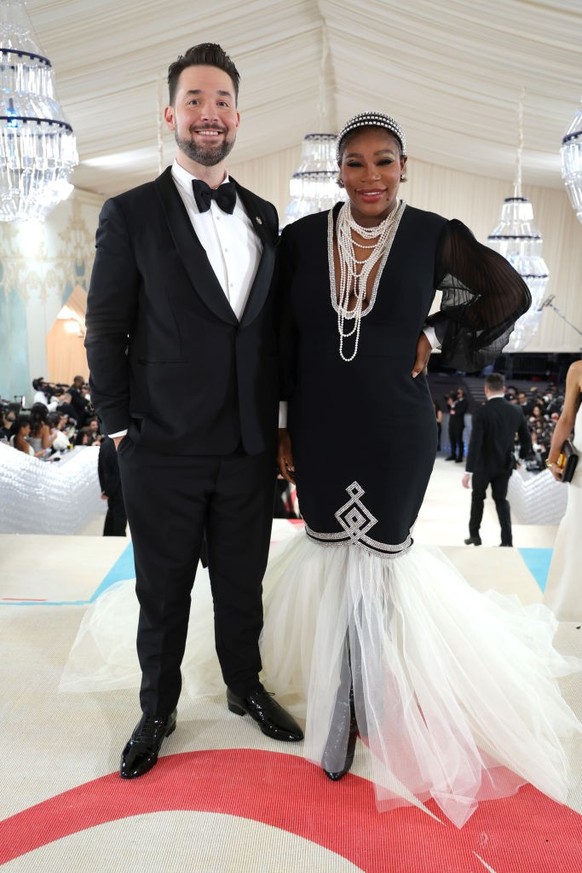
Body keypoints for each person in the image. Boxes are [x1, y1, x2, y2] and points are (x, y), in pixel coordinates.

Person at [259, 111, 581, 828]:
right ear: (337, 172)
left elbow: (509, 295)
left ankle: (357, 700)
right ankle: (344, 690)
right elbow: (281, 339)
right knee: (329, 550)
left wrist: (436, 329)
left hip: (395, 423)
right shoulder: (303, 240)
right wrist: (281, 420)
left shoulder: (436, 233)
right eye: (355, 164)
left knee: (379, 559)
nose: (370, 176)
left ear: (406, 166)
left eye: (383, 162)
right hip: (318, 420)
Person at [83, 42, 302, 780]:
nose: (209, 115)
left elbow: (269, 336)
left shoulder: (267, 217)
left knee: (243, 582)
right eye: (196, 101)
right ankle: (157, 707)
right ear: (170, 113)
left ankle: (245, 685)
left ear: (239, 116)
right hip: (161, 445)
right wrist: (119, 429)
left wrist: (276, 428)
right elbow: (105, 328)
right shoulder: (129, 213)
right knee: (163, 589)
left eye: (222, 102)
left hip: (245, 445)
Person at [462, 372, 532, 547]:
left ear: (486, 389)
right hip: (505, 465)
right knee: (501, 500)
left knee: (477, 499)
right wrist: (522, 457)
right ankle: (507, 541)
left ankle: (475, 536)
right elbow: (526, 438)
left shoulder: (481, 412)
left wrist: (468, 470)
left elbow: (475, 443)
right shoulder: (516, 410)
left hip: (482, 466)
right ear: (504, 389)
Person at [543, 359, 582, 620]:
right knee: (578, 531)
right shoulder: (578, 369)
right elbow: (567, 417)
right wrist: (552, 455)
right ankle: (572, 609)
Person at [97, 435, 127, 536]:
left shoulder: (105, 444)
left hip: (111, 488)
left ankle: (108, 537)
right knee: (119, 518)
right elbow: (116, 473)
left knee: (112, 513)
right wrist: (108, 491)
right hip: (119, 489)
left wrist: (104, 489)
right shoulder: (117, 445)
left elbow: (100, 469)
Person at [445, 387, 468, 462]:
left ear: (463, 394)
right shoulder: (456, 401)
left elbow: (460, 411)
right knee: (452, 440)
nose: (457, 394)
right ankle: (453, 454)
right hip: (452, 423)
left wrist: (452, 406)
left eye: (459, 393)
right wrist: (449, 404)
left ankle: (460, 457)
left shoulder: (465, 401)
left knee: (459, 440)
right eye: (457, 392)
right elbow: (450, 410)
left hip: (459, 424)